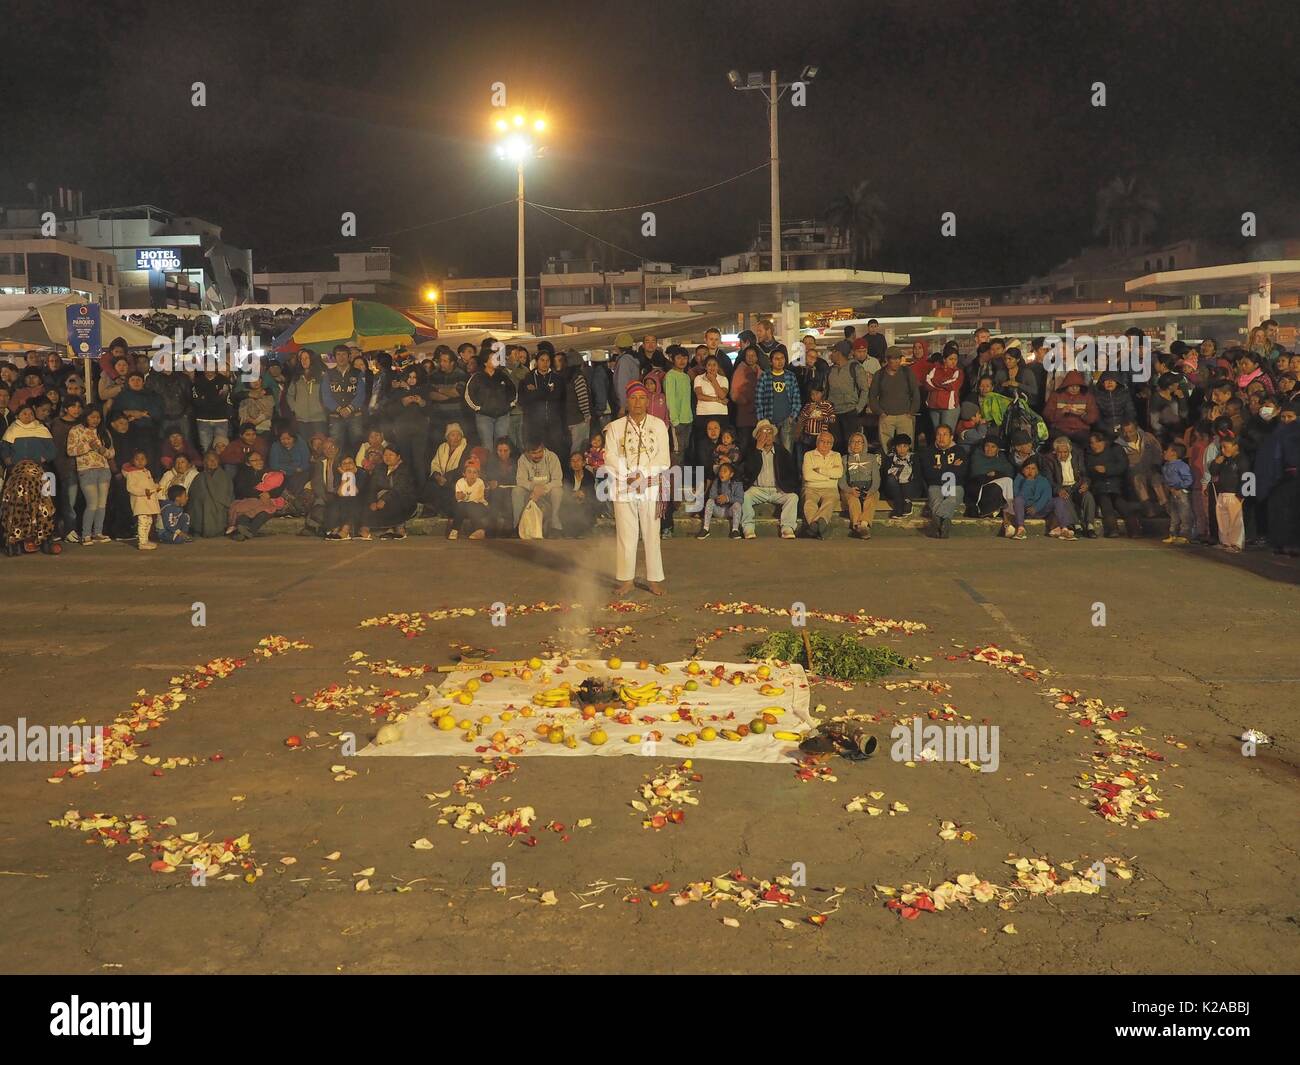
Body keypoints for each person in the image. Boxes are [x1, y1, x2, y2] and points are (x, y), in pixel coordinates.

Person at [604, 380, 670, 593]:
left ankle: (654, 578)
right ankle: (626, 580)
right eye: (633, 398)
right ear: (627, 400)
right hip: (624, 486)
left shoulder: (659, 425)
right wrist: (628, 475)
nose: (638, 402)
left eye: (642, 397)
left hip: (650, 485)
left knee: (652, 532)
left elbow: (664, 457)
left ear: (647, 400)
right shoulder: (614, 427)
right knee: (626, 534)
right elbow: (609, 456)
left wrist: (642, 474)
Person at [739, 419, 799, 540]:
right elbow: (747, 470)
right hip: (758, 489)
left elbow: (792, 473)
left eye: (770, 432)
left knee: (793, 497)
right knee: (744, 496)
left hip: (777, 489)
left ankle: (787, 527)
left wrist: (787, 486)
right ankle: (748, 527)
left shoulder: (782, 452)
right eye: (764, 432)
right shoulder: (751, 451)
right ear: (757, 436)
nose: (768, 435)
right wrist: (757, 450)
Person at [66, 407, 114, 544]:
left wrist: (103, 450)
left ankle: (98, 532)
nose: (95, 420)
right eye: (92, 417)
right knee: (92, 503)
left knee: (102, 503)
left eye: (98, 417)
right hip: (86, 470)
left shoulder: (103, 431)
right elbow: (70, 451)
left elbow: (111, 453)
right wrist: (88, 446)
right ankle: (86, 534)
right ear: (86, 416)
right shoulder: (76, 430)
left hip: (104, 469)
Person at [1002, 456, 1073, 540]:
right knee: (1018, 500)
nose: (1030, 471)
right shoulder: (1019, 480)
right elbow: (1019, 496)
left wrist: (1036, 507)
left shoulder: (1043, 480)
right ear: (1023, 470)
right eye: (1027, 468)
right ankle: (1021, 529)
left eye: (1033, 469)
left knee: (1058, 500)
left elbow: (1046, 497)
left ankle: (1064, 529)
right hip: (1025, 511)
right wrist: (1028, 482)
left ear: (1037, 471)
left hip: (1041, 510)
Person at [1086, 431, 1141, 538]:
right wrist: (1096, 471)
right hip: (1100, 486)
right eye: (1092, 443)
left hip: (1117, 485)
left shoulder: (1115, 449)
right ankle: (1112, 530)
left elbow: (1122, 465)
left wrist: (1107, 469)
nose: (1095, 445)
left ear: (1104, 442)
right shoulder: (1089, 454)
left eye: (1097, 442)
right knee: (1106, 506)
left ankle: (1135, 530)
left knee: (1122, 505)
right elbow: (1088, 470)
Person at [1041, 435, 1098, 537]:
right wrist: (1058, 490)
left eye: (1065, 452)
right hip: (1063, 487)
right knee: (1064, 498)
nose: (1062, 455)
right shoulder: (1049, 460)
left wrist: (1086, 483)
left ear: (1069, 450)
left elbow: (1084, 474)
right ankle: (1076, 526)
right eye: (1060, 452)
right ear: (1055, 451)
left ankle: (1090, 526)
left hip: (1076, 486)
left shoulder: (1077, 456)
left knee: (1088, 496)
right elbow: (1049, 480)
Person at [2, 459, 60, 556]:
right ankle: (45, 540)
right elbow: (48, 499)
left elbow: (5, 503)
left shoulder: (12, 480)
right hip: (35, 506)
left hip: (18, 512)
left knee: (12, 513)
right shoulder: (40, 476)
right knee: (45, 510)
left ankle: (13, 543)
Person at [358, 443, 416, 540]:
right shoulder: (380, 468)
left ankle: (398, 530)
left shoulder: (405, 469)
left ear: (398, 457)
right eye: (385, 455)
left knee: (393, 501)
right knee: (368, 502)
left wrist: (384, 499)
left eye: (391, 455)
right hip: (382, 497)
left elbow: (399, 488)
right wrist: (372, 501)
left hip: (404, 499)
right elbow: (372, 487)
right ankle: (364, 529)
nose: (387, 458)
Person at [919, 424, 967, 538]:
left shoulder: (959, 451)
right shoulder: (928, 451)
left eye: (945, 435)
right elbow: (929, 474)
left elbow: (961, 474)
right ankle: (945, 522)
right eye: (939, 434)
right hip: (935, 485)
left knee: (952, 499)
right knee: (936, 500)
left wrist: (940, 468)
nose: (941, 438)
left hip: (955, 485)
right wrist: (952, 468)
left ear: (951, 437)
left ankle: (938, 523)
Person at [227, 452, 287, 541]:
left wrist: (270, 494)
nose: (259, 462)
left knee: (265, 512)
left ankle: (246, 532)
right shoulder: (242, 474)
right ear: (248, 463)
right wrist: (260, 494)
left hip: (266, 501)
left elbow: (282, 483)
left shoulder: (268, 471)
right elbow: (241, 490)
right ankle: (243, 530)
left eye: (260, 459)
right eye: (254, 460)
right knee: (245, 514)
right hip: (250, 500)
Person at [868, 349, 920, 452]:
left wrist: (911, 412)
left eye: (898, 359)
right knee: (886, 447)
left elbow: (915, 392)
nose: (897, 362)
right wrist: (880, 412)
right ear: (887, 360)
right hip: (886, 416)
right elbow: (872, 396)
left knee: (906, 446)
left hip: (905, 415)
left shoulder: (907, 372)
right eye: (894, 359)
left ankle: (907, 466)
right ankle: (888, 465)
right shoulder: (880, 374)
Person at [465, 353, 516, 454]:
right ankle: (488, 469)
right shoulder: (477, 377)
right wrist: (479, 408)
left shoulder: (503, 375)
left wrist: (509, 406)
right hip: (484, 416)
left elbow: (513, 391)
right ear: (485, 362)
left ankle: (501, 469)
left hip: (502, 415)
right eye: (492, 358)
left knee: (502, 445)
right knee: (486, 446)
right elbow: (469, 395)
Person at [512, 440, 564, 536]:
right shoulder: (523, 459)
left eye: (540, 452)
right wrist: (533, 487)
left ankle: (555, 524)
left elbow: (557, 480)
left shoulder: (552, 457)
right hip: (530, 491)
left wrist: (543, 488)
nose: (538, 455)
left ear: (543, 449)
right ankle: (517, 525)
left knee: (558, 491)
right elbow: (520, 480)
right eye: (534, 453)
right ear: (528, 453)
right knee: (517, 491)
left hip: (547, 490)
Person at [801, 430, 843, 539]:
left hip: (830, 489)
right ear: (817, 442)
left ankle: (815, 526)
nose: (825, 444)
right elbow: (808, 476)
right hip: (811, 488)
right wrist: (829, 476)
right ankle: (819, 526)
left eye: (828, 442)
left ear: (832, 445)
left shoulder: (836, 455)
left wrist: (819, 470)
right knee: (809, 502)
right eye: (822, 441)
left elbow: (838, 473)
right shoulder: (808, 455)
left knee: (829, 501)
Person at [826, 344, 870, 446]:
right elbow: (827, 390)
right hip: (833, 414)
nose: (831, 355)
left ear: (839, 353)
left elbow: (864, 390)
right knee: (835, 445)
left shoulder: (855, 368)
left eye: (833, 352)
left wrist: (858, 409)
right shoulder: (830, 370)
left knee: (851, 445)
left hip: (850, 413)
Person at [839, 431, 880, 539]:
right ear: (849, 444)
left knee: (872, 498)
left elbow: (876, 479)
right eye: (853, 442)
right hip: (850, 489)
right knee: (853, 500)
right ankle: (858, 526)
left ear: (864, 444)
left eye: (859, 442)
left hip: (868, 488)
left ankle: (863, 524)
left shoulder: (871, 458)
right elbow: (841, 480)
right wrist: (849, 490)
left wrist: (871, 491)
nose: (856, 444)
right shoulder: (844, 459)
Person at [1210, 431, 1245, 551]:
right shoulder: (1223, 460)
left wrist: (1242, 495)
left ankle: (1236, 544)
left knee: (1235, 520)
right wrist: (1215, 463)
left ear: (1235, 446)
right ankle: (1225, 542)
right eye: (1222, 447)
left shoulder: (1242, 460)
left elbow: (1247, 477)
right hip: (1222, 493)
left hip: (1234, 494)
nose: (1223, 450)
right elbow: (1213, 472)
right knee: (1222, 519)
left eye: (1226, 447)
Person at [967, 436, 1015, 518]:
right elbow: (977, 471)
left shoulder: (1001, 458)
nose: (989, 449)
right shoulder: (977, 455)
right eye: (987, 446)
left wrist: (996, 473)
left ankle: (1007, 511)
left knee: (1008, 481)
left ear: (997, 449)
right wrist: (999, 474)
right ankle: (1006, 512)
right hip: (979, 486)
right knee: (997, 487)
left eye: (993, 447)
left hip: (995, 485)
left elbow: (1010, 471)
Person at [427, 423, 469, 515]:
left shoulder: (465, 448)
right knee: (431, 486)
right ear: (447, 437)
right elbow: (435, 463)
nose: (456, 438)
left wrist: (446, 477)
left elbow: (463, 467)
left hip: (456, 479)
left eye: (458, 435)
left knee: (449, 489)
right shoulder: (443, 447)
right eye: (453, 435)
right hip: (441, 479)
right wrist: (437, 476)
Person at [123, 449, 161, 551]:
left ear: (147, 460)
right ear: (132, 461)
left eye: (142, 459)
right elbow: (131, 488)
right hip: (140, 502)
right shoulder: (132, 474)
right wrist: (144, 492)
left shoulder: (147, 471)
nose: (140, 461)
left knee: (149, 521)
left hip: (148, 502)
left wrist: (155, 486)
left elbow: (150, 484)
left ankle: (145, 540)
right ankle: (142, 542)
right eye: (137, 459)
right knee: (143, 521)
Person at [696, 460, 742, 539]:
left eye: (725, 471)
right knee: (710, 501)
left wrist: (727, 499)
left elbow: (740, 499)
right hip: (718, 510)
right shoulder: (716, 482)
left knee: (737, 505)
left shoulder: (737, 484)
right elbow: (711, 495)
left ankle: (735, 530)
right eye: (720, 471)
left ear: (731, 474)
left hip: (729, 511)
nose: (721, 473)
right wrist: (718, 498)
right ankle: (705, 528)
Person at [881, 433, 924, 517]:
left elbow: (917, 476)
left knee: (907, 479)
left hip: (910, 488)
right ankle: (899, 505)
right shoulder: (890, 458)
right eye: (899, 446)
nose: (902, 449)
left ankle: (906, 503)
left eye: (905, 446)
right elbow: (884, 476)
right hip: (894, 489)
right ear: (895, 447)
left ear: (908, 447)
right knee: (890, 478)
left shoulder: (914, 458)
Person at [925, 343, 964, 434]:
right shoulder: (935, 369)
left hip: (949, 408)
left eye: (955, 359)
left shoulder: (958, 372)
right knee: (937, 434)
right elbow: (927, 383)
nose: (953, 362)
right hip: (934, 406)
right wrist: (942, 386)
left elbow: (953, 385)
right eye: (951, 359)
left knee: (946, 434)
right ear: (944, 359)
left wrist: (936, 384)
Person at [449, 458, 491, 540]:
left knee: (471, 505)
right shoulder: (460, 482)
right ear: (464, 473)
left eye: (475, 472)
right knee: (460, 505)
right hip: (465, 508)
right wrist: (459, 497)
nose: (472, 475)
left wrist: (464, 497)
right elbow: (459, 498)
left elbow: (475, 499)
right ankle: (455, 530)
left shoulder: (480, 482)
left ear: (478, 475)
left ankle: (480, 530)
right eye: (469, 471)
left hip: (480, 506)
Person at [557, 451, 597, 539]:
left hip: (584, 502)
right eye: (573, 461)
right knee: (566, 505)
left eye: (578, 460)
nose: (575, 463)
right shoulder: (567, 475)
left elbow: (592, 492)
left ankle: (584, 531)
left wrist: (584, 494)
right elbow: (564, 490)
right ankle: (569, 532)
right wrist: (573, 495)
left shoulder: (588, 475)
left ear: (583, 463)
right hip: (571, 501)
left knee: (589, 506)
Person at [693, 355, 732, 442]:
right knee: (703, 441)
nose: (712, 367)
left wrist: (713, 380)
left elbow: (722, 395)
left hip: (720, 413)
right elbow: (700, 396)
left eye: (714, 365)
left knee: (721, 441)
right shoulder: (699, 378)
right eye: (709, 365)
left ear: (718, 367)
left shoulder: (723, 379)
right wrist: (717, 400)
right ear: (705, 367)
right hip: (703, 414)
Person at [1161, 441, 1194, 544]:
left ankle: (1185, 535)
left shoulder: (1181, 466)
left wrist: (1179, 487)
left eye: (1168, 450)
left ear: (1174, 453)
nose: (1164, 452)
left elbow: (1188, 479)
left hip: (1181, 493)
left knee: (1185, 514)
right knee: (1174, 514)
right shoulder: (1166, 465)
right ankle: (1173, 534)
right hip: (1172, 493)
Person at [795, 385, 835, 465]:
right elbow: (801, 418)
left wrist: (823, 418)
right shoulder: (808, 406)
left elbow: (833, 419)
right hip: (808, 436)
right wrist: (808, 411)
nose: (814, 396)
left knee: (818, 457)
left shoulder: (827, 405)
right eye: (812, 394)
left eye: (817, 394)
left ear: (822, 393)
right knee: (807, 457)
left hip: (821, 437)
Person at [729, 345, 761, 449]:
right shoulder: (740, 371)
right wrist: (744, 401)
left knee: (756, 445)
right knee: (744, 444)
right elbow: (734, 393)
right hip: (744, 414)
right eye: (748, 355)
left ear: (757, 357)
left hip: (758, 416)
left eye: (753, 355)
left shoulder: (761, 372)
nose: (751, 358)